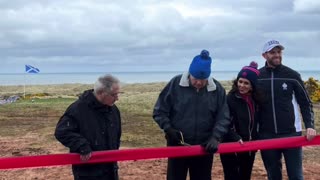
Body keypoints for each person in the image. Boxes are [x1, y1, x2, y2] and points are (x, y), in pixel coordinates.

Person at [153, 50, 231, 180]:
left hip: (204, 147)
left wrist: (215, 137)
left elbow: (223, 116)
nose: (199, 83)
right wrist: (169, 129)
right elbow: (159, 111)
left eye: (203, 79)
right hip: (177, 145)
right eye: (196, 78)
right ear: (190, 74)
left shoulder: (217, 89)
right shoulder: (175, 84)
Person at [257, 40, 317, 180]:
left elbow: (305, 103)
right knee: (273, 175)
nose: (277, 55)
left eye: (279, 52)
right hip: (267, 135)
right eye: (273, 52)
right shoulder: (258, 76)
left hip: (291, 134)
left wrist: (310, 126)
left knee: (296, 176)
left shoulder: (292, 75)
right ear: (264, 55)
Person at [55, 74, 122, 180]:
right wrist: (82, 145)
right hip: (88, 172)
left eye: (118, 94)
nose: (117, 98)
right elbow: (62, 132)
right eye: (114, 94)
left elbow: (117, 136)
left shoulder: (113, 110)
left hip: (111, 170)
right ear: (101, 93)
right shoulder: (77, 109)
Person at [220, 61, 262, 180]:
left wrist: (256, 138)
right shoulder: (230, 99)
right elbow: (224, 121)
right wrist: (235, 137)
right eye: (240, 81)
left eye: (246, 83)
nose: (242, 85)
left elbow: (258, 122)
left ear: (252, 85)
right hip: (231, 145)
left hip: (249, 147)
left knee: (245, 176)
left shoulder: (257, 100)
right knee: (232, 176)